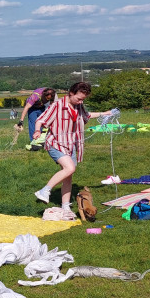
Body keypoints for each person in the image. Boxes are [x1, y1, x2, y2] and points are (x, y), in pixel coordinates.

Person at [32, 82, 110, 211]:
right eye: (79, 99)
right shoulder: (57, 106)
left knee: (68, 175)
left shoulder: (79, 106)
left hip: (71, 144)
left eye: (83, 100)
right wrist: (37, 131)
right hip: (56, 143)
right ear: (71, 93)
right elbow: (41, 119)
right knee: (70, 168)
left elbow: (87, 116)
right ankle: (44, 190)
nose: (80, 102)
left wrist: (104, 114)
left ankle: (65, 206)